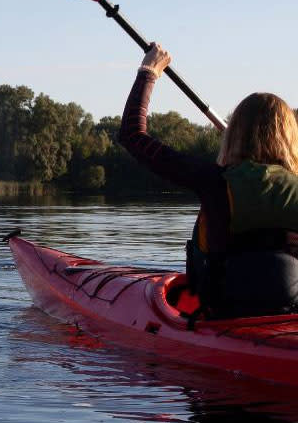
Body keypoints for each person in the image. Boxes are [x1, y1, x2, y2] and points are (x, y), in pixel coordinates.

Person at [118, 43, 298, 316]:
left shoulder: (213, 180)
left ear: (234, 134)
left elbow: (132, 135)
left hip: (224, 312)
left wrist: (149, 71)